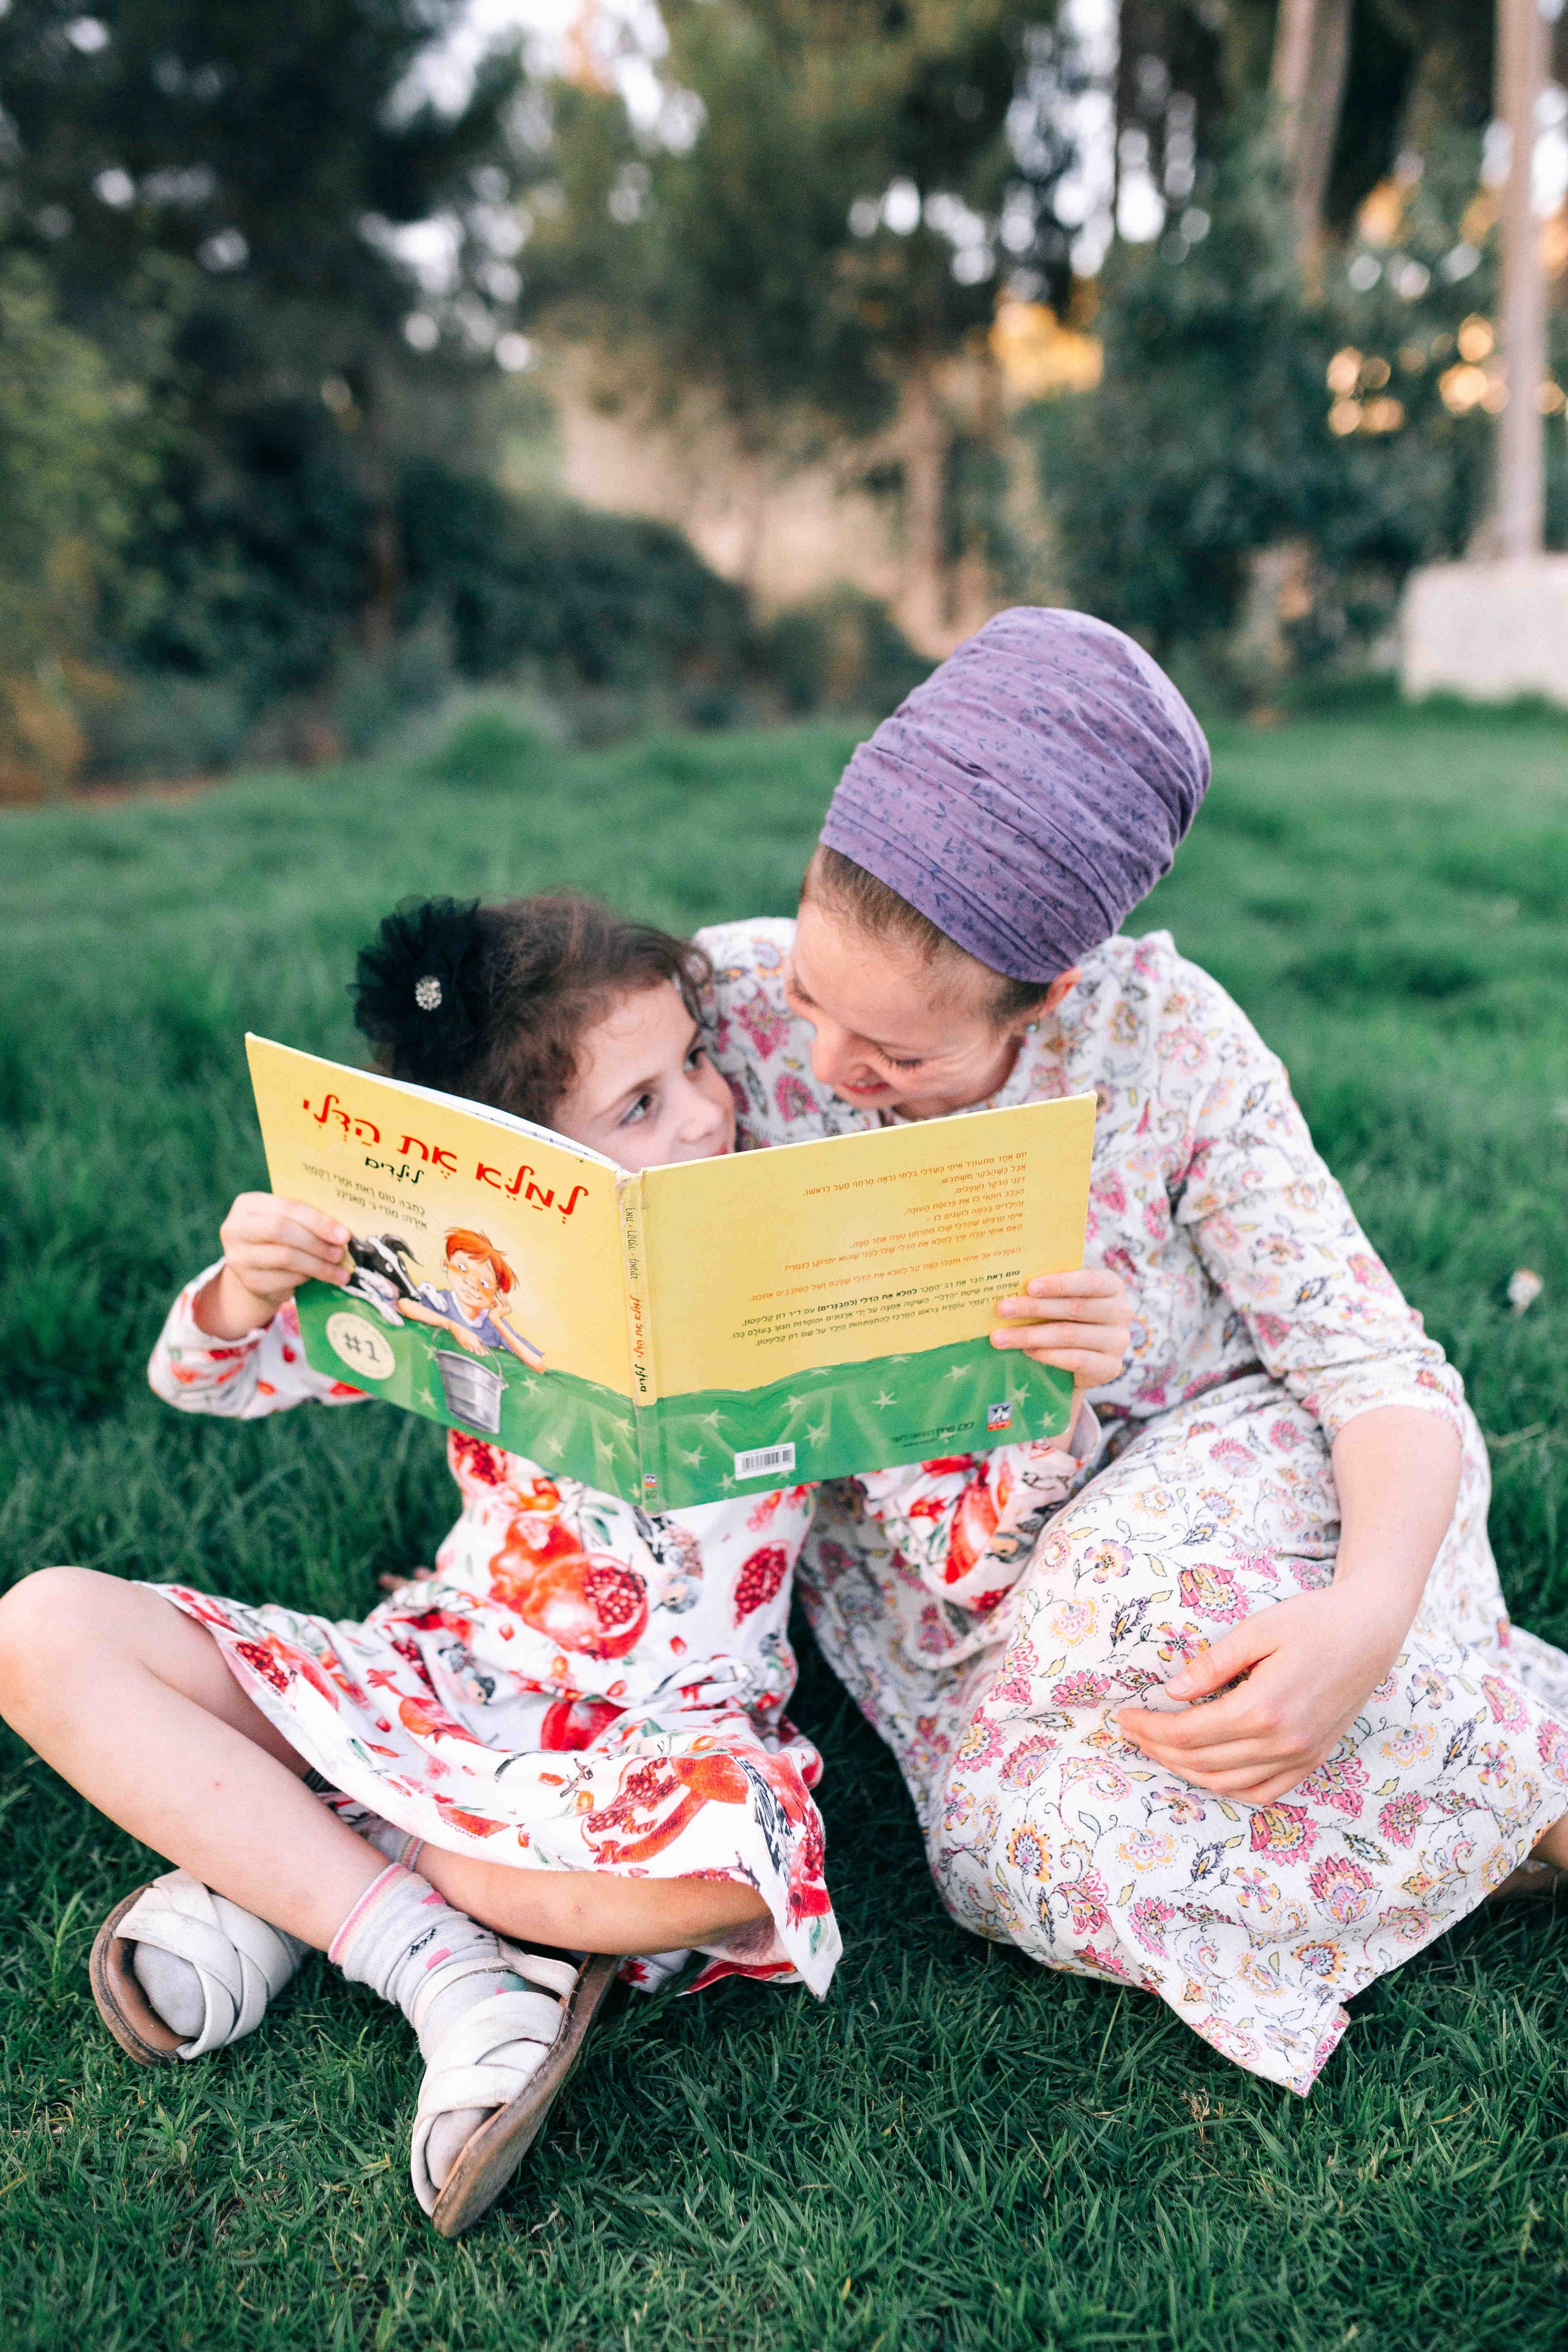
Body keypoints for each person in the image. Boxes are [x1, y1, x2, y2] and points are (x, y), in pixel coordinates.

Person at [0, 889, 1118, 2237]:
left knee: (726, 1880)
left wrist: (1043, 1403)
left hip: (662, 1730)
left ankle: (307, 1854)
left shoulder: (797, 1279)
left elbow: (963, 1551)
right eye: (638, 1106)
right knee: (41, 1629)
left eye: (695, 1058)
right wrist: (249, 1280)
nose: (707, 1111)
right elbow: (206, 1380)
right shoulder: (468, 1282)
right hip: (443, 1663)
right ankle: (441, 1965)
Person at [693, 603, 1568, 2098]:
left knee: (1172, 1630)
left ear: (1047, 992)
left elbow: (1374, 1373)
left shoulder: (1169, 1043)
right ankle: (1497, 1796)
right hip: (958, 1608)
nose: (830, 1069)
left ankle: (1444, 1746)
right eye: (815, 999)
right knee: (1001, 1852)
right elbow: (521, 1131)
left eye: (896, 1057)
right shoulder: (720, 1006)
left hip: (1212, 1480)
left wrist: (1360, 1617)